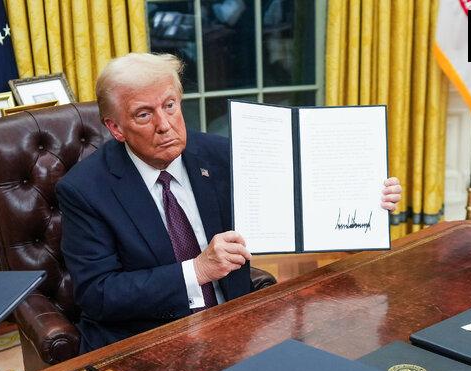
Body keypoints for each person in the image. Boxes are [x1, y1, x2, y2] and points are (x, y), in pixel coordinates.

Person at [57, 52, 402, 353]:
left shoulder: (222, 155)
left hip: (234, 324)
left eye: (170, 105)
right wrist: (197, 270)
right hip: (146, 339)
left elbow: (302, 204)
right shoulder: (84, 190)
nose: (165, 125)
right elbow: (98, 294)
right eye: (144, 115)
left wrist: (367, 203)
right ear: (116, 128)